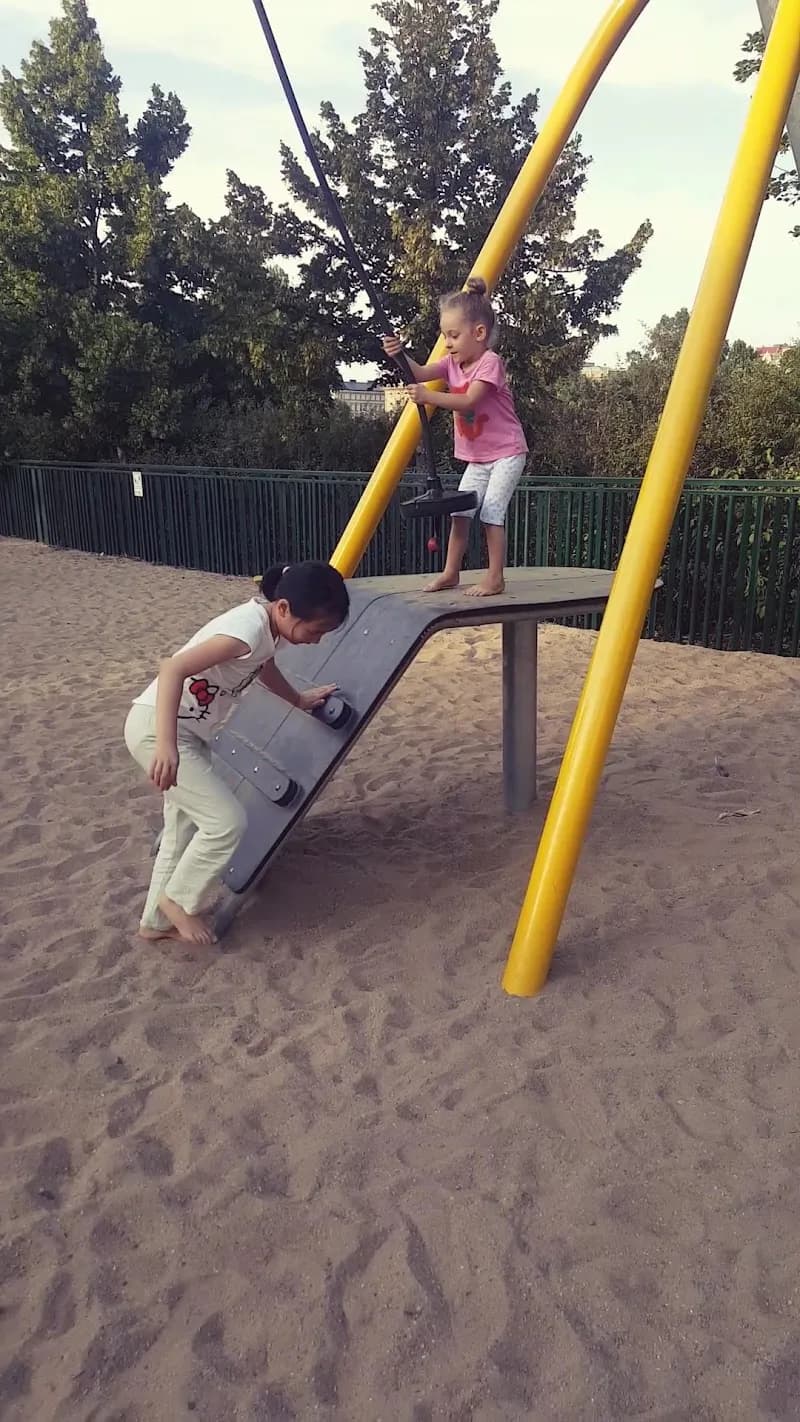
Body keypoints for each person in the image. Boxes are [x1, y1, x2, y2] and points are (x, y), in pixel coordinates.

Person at [124, 562, 349, 946]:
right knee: (226, 822)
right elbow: (172, 668)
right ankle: (178, 902)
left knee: (181, 830)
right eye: (314, 630)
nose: (316, 640)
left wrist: (298, 700)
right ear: (283, 608)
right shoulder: (246, 631)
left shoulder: (267, 632)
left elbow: (264, 667)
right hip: (158, 730)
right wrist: (165, 743)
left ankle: (155, 922)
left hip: (189, 736)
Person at [383, 276, 528, 597]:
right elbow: (419, 373)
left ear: (479, 334)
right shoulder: (450, 364)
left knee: (491, 510)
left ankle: (495, 578)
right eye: (444, 335)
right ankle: (450, 572)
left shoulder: (490, 364)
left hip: (507, 452)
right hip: (477, 457)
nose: (447, 343)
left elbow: (468, 401)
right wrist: (399, 354)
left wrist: (428, 397)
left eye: (453, 335)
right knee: (459, 512)